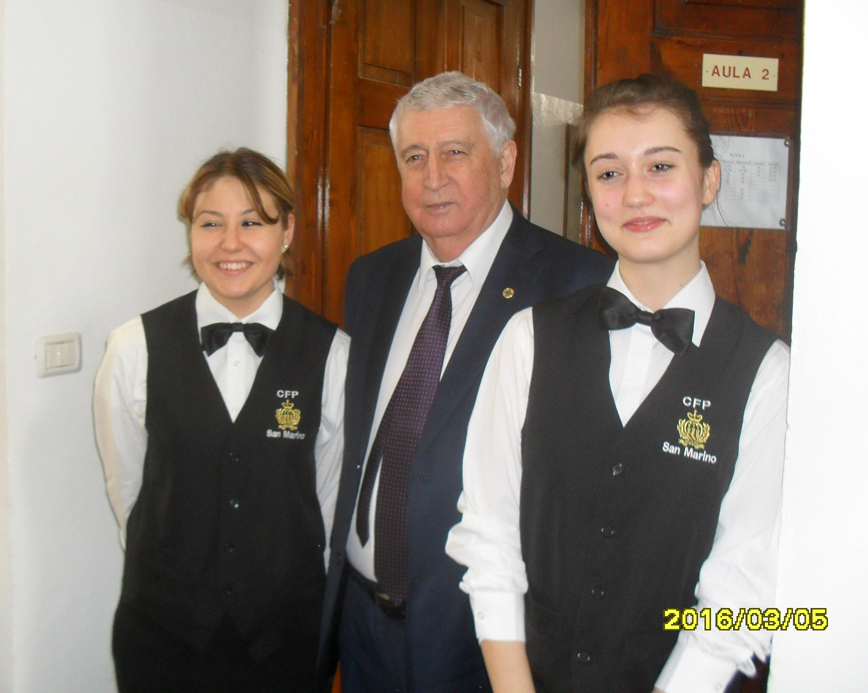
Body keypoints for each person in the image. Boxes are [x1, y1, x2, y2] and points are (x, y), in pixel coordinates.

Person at [446, 74, 789, 693]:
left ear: (709, 180)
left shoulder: (767, 371)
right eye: (609, 173)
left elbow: (744, 592)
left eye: (661, 166)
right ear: (589, 195)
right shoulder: (528, 337)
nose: (635, 194)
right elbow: (489, 534)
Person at [316, 72, 613, 692]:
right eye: (414, 157)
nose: (432, 178)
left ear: (505, 162)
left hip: (484, 642)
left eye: (454, 152)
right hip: (362, 628)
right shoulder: (371, 278)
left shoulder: (580, 286)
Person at [93, 148, 349, 693]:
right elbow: (128, 491)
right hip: (163, 638)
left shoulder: (333, 353)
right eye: (211, 224)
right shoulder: (133, 347)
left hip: (286, 641)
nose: (231, 243)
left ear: (286, 232)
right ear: (191, 234)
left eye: (252, 223)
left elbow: (327, 505)